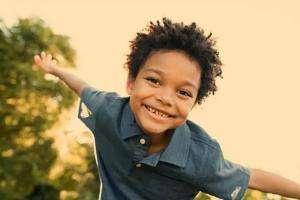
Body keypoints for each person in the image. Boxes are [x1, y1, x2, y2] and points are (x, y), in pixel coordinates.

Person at [34, 17, 300, 200]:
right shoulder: (108, 110)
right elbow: (82, 87)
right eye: (154, 80)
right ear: (130, 82)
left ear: (194, 103)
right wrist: (55, 69)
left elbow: (252, 176)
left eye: (183, 92)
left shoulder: (200, 157)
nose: (165, 97)